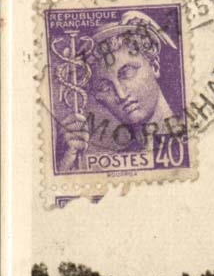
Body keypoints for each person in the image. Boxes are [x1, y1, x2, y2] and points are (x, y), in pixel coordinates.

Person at [56, 10, 182, 171]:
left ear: (155, 66)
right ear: (98, 97)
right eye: (104, 87)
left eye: (127, 73)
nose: (121, 95)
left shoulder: (199, 139)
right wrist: (66, 165)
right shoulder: (115, 166)